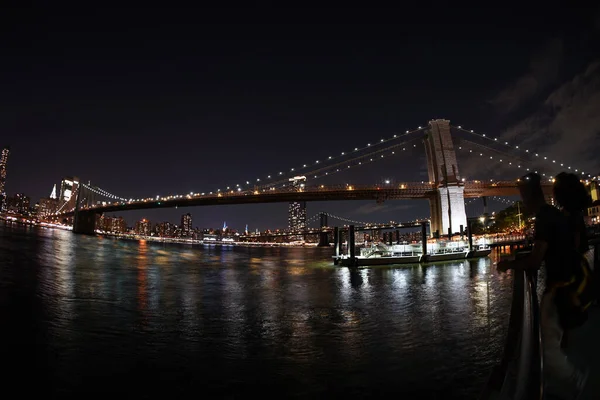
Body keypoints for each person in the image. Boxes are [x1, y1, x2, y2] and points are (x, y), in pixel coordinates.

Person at [497, 172, 587, 398]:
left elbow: (536, 260)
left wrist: (509, 266)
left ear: (528, 197)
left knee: (547, 348)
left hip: (559, 287)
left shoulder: (544, 219)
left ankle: (577, 380)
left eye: (523, 197)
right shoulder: (554, 214)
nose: (523, 203)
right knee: (556, 338)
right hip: (570, 282)